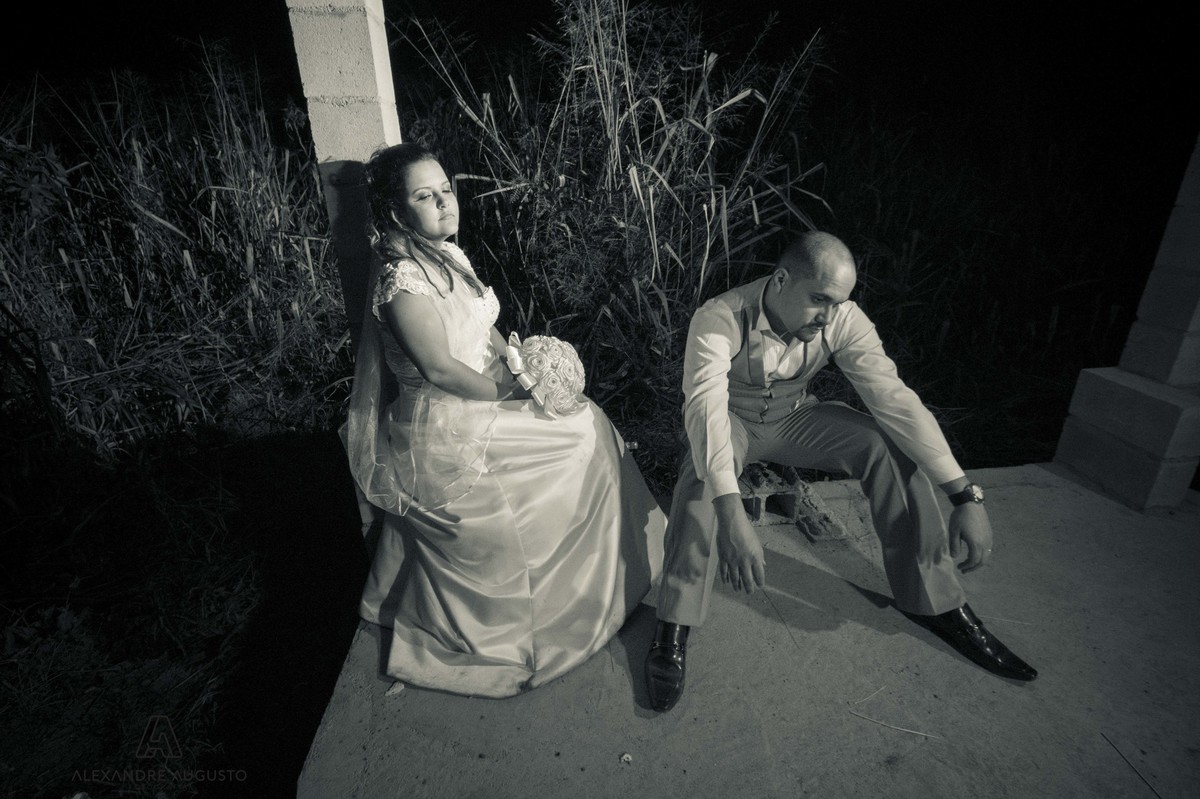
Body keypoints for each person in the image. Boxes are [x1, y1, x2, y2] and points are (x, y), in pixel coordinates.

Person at [644, 231, 1037, 712]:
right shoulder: (719, 317)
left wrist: (963, 495)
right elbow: (705, 412)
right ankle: (674, 623)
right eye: (820, 300)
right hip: (730, 420)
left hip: (794, 418)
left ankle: (936, 600)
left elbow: (895, 401)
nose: (828, 316)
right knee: (703, 477)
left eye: (839, 303)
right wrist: (732, 513)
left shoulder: (843, 318)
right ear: (781, 280)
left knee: (884, 444)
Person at [343, 142, 665, 697]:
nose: (444, 202)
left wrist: (521, 366)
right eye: (425, 196)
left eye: (446, 190)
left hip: (487, 389)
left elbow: (483, 324)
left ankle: (612, 570)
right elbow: (440, 370)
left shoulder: (447, 254)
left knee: (583, 420)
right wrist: (510, 393)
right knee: (569, 443)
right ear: (397, 212)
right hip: (449, 423)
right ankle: (547, 614)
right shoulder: (402, 285)